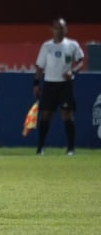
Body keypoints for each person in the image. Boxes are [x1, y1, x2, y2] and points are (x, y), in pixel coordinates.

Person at [33, 17, 84, 156]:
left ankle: (71, 148)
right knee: (46, 115)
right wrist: (36, 84)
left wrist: (73, 71)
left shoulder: (72, 45)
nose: (59, 30)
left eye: (61, 27)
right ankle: (40, 148)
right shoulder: (46, 46)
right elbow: (40, 66)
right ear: (52, 30)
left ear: (65, 29)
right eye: (56, 28)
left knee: (67, 115)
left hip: (65, 85)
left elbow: (81, 61)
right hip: (50, 83)